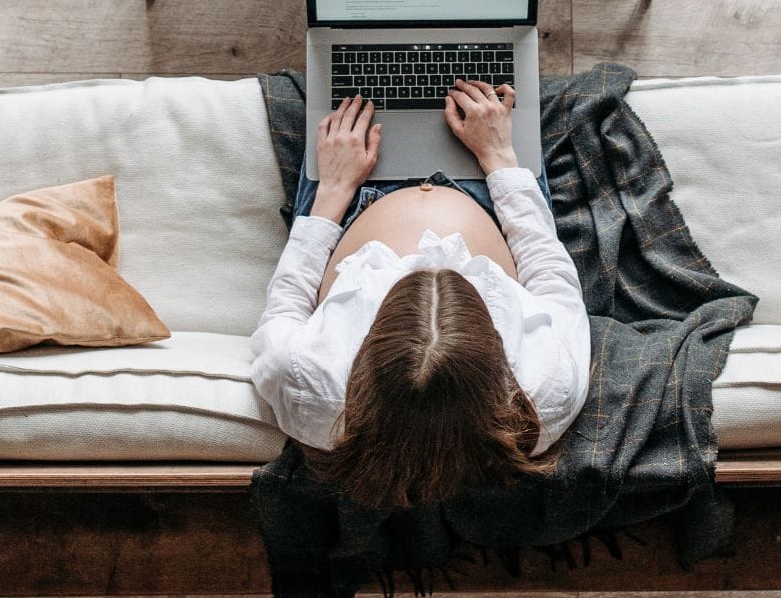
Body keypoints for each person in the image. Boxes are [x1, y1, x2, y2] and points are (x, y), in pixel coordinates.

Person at [250, 80, 591, 509]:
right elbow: (550, 276)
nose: (427, 254)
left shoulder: (307, 385)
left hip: (348, 200)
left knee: (345, 96)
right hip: (491, 196)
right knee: (501, 97)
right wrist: (500, 159)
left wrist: (333, 192)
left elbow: (288, 301)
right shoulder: (545, 394)